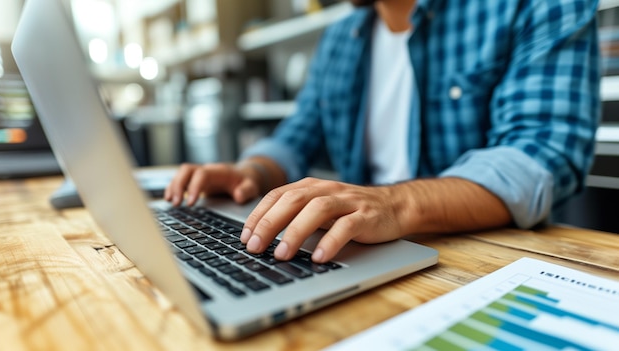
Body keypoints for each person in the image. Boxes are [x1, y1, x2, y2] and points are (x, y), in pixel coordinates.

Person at [165, 0, 601, 264]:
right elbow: (298, 133)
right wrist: (253, 170)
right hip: (361, 251)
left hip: (489, 264)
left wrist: (393, 201)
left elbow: (540, 154)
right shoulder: (340, 37)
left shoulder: (533, 5)